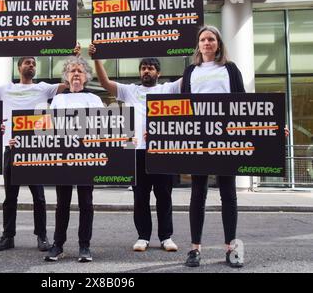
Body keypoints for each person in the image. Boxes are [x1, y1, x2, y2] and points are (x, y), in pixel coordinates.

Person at [0, 52, 67, 252]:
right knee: (10, 197)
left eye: (34, 63)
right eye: (27, 63)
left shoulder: (43, 88)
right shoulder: (6, 89)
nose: (31, 65)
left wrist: (73, 56)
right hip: (11, 149)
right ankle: (8, 236)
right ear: (19, 68)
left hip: (35, 151)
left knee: (39, 197)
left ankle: (42, 236)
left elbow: (67, 84)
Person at [166, 25, 245, 268]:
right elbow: (182, 107)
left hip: (226, 139)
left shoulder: (230, 69)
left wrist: (271, 130)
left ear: (218, 44)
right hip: (197, 140)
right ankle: (195, 249)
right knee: (197, 194)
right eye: (203, 39)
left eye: (211, 39)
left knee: (228, 194)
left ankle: (231, 249)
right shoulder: (191, 71)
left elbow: (244, 102)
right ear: (198, 45)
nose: (207, 43)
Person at [89, 44, 178, 253]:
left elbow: (190, 76)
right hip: (137, 151)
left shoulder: (168, 88)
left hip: (162, 151)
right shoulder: (130, 91)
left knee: (164, 195)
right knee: (141, 197)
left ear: (159, 72)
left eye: (151, 68)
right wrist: (96, 58)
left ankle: (166, 237)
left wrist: (201, 52)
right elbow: (104, 82)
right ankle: (143, 236)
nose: (146, 71)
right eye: (143, 68)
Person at [44, 56, 104, 263]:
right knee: (62, 203)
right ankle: (58, 245)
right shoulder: (58, 99)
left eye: (80, 70)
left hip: (87, 158)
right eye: (72, 71)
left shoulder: (95, 99)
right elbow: (48, 128)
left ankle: (84, 246)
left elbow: (105, 128)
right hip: (64, 158)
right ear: (67, 77)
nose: (76, 74)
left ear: (86, 76)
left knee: (86, 203)